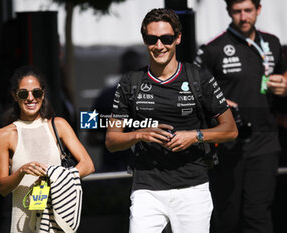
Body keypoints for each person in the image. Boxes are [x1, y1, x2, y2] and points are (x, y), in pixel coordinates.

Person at [105, 8, 238, 233]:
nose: (159, 46)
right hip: (146, 189)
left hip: (192, 188)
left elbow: (230, 130)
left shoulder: (199, 78)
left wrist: (195, 136)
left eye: (166, 39)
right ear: (144, 40)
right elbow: (112, 140)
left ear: (177, 38)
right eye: (152, 39)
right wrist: (140, 134)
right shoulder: (130, 82)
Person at [193, 1, 287, 232]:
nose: (243, 17)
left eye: (248, 10)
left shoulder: (272, 42)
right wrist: (219, 104)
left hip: (265, 140)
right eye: (237, 11)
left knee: (258, 214)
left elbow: (283, 76)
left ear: (258, 9)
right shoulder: (212, 48)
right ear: (229, 12)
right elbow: (193, 92)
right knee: (228, 216)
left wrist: (285, 85)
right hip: (228, 143)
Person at [0, 65, 95, 233]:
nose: (30, 98)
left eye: (37, 93)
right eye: (23, 94)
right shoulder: (4, 135)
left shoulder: (58, 125)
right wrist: (21, 172)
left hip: (56, 221)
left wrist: (57, 178)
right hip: (22, 224)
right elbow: (2, 187)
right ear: (14, 96)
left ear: (43, 93)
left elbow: (88, 165)